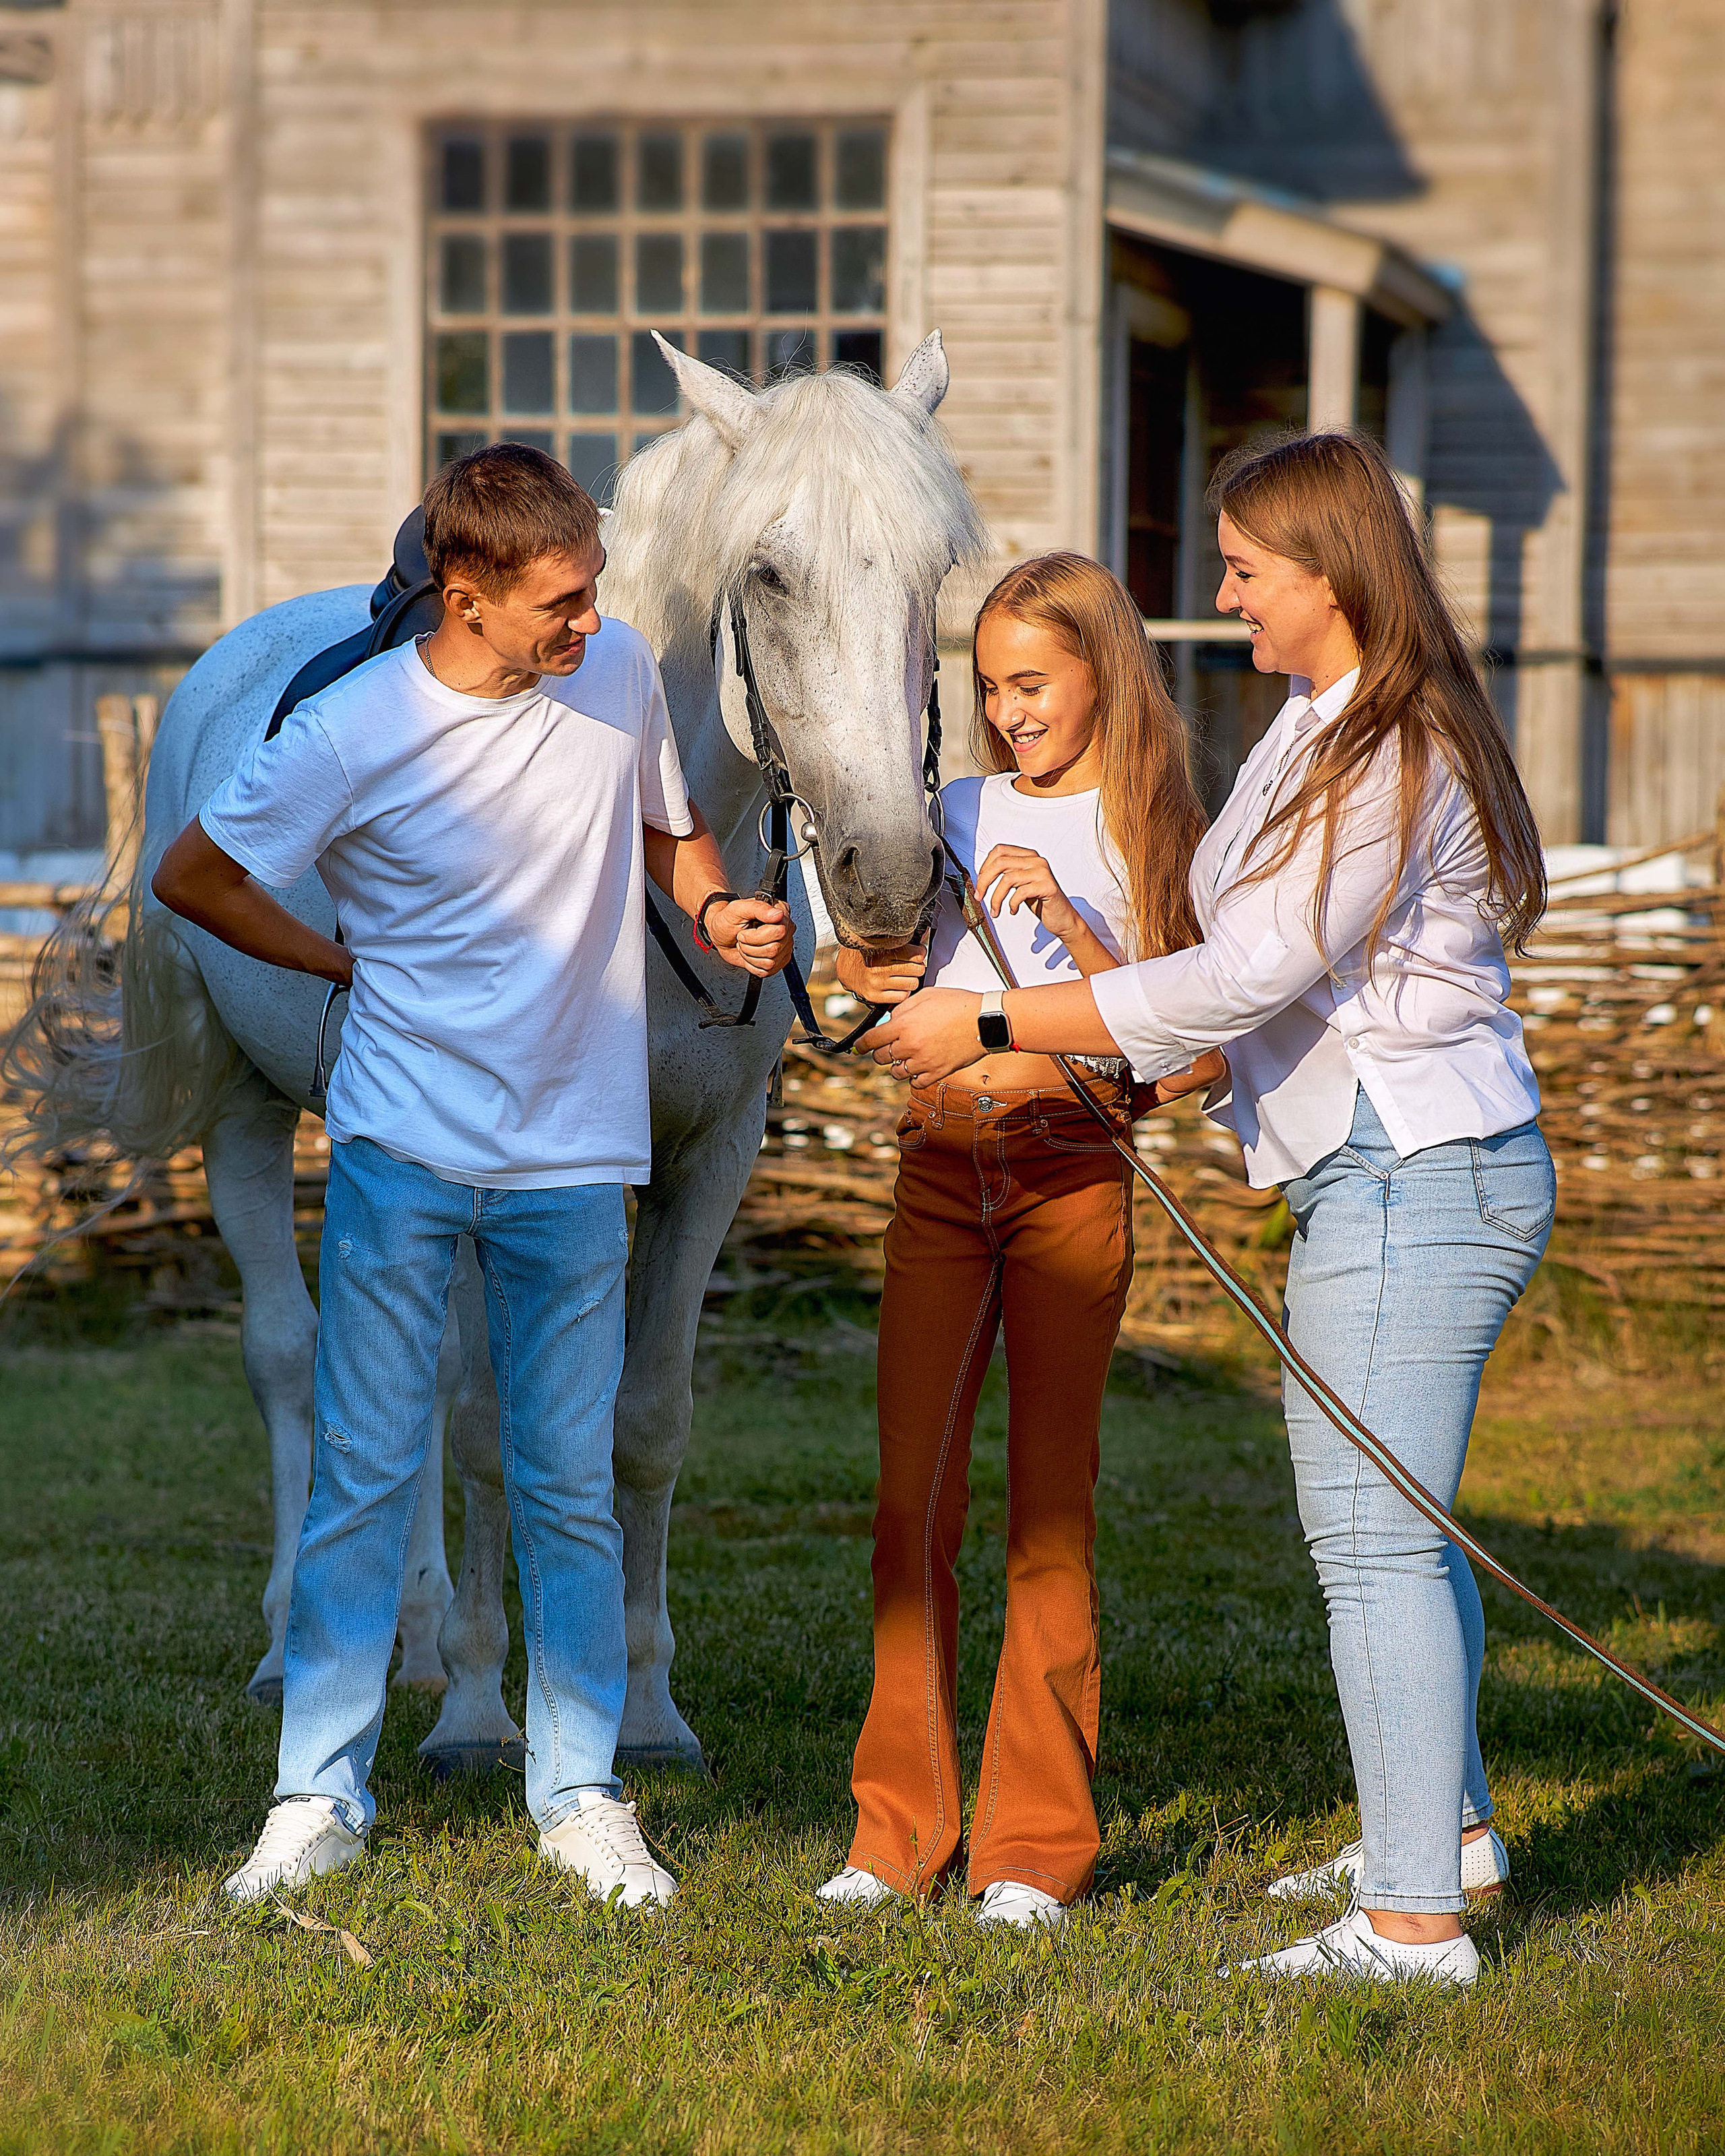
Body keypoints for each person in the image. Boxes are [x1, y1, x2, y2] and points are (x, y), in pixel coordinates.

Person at [860, 433, 1552, 1987]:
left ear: (1330, 572)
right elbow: (1222, 968)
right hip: (1372, 1171)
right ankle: (1434, 1838)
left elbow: (1243, 974)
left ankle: (1408, 1925)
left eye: (1246, 568)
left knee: (1370, 1542)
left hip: (1411, 1170)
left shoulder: (1384, 749)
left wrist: (996, 1028)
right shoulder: (1317, 725)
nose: (1222, 590)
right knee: (1404, 1535)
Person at [152, 443, 793, 1910]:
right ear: (467, 596)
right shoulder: (356, 724)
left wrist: (714, 909)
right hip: (402, 1149)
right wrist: (335, 963)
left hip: (575, 1158)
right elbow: (193, 874)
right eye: (560, 602)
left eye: (593, 593)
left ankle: (578, 1791)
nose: (587, 622)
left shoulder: (618, 670)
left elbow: (664, 819)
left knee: (566, 1485)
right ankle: (315, 1795)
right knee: (366, 1480)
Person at [818, 554, 1220, 1930]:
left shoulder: (1156, 822)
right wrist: (857, 969)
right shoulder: (955, 805)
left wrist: (1069, 926)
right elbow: (885, 976)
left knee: (1047, 1513)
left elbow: (1200, 1046)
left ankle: (1031, 1854)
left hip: (1068, 1172)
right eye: (987, 688)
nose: (1006, 713)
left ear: (1101, 669)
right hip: (938, 1162)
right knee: (908, 1504)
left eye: (1030, 684)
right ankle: (895, 1833)